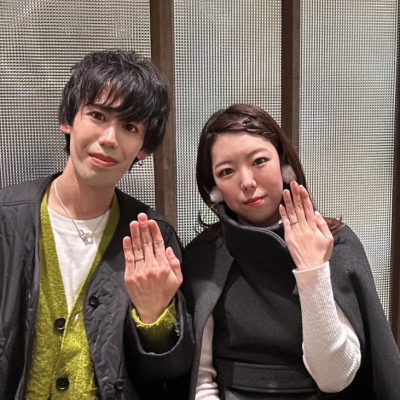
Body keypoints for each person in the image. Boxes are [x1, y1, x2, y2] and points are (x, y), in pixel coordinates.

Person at [0, 50, 194, 399]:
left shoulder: (152, 236)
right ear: (68, 120)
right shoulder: (6, 219)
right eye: (98, 115)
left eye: (130, 127)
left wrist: (154, 316)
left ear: (143, 149)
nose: (109, 138)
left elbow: (169, 375)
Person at [182, 103, 400, 400]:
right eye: (227, 171)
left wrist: (313, 271)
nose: (247, 182)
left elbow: (334, 378)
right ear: (214, 189)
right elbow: (202, 380)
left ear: (285, 166)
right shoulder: (204, 256)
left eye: (259, 161)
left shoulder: (334, 242)